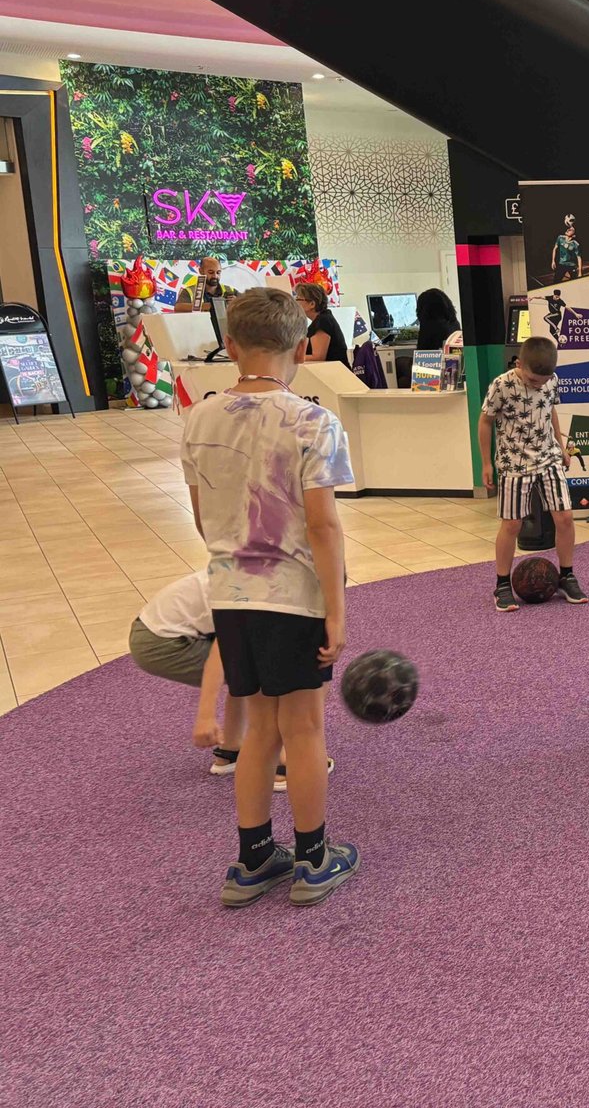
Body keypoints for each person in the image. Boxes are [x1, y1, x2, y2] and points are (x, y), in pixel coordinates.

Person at [179, 287, 358, 908]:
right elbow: (324, 525)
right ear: (302, 347)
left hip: (230, 593)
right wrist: (335, 608)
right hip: (295, 596)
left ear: (230, 346)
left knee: (256, 727)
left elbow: (203, 517)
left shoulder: (198, 419)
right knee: (304, 728)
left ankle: (252, 855)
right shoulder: (313, 420)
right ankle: (313, 856)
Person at [129, 570, 328, 793]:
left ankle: (231, 750)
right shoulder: (258, 591)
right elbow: (222, 652)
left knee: (253, 654)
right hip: (161, 643)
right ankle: (282, 761)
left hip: (157, 630)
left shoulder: (258, 570)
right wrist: (206, 716)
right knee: (263, 667)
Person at [479, 336, 589, 611]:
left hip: (549, 457)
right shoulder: (501, 385)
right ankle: (502, 584)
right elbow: (485, 422)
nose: (537, 384)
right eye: (532, 380)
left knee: (564, 517)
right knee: (512, 524)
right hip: (514, 463)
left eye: (543, 380)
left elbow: (551, 410)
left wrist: (562, 448)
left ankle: (567, 576)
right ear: (519, 364)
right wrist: (486, 463)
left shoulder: (551, 380)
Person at [296, 282, 349, 367]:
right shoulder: (321, 320)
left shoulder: (323, 321)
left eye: (298, 299)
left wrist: (293, 358)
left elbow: (318, 357)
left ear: (312, 304)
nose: (295, 303)